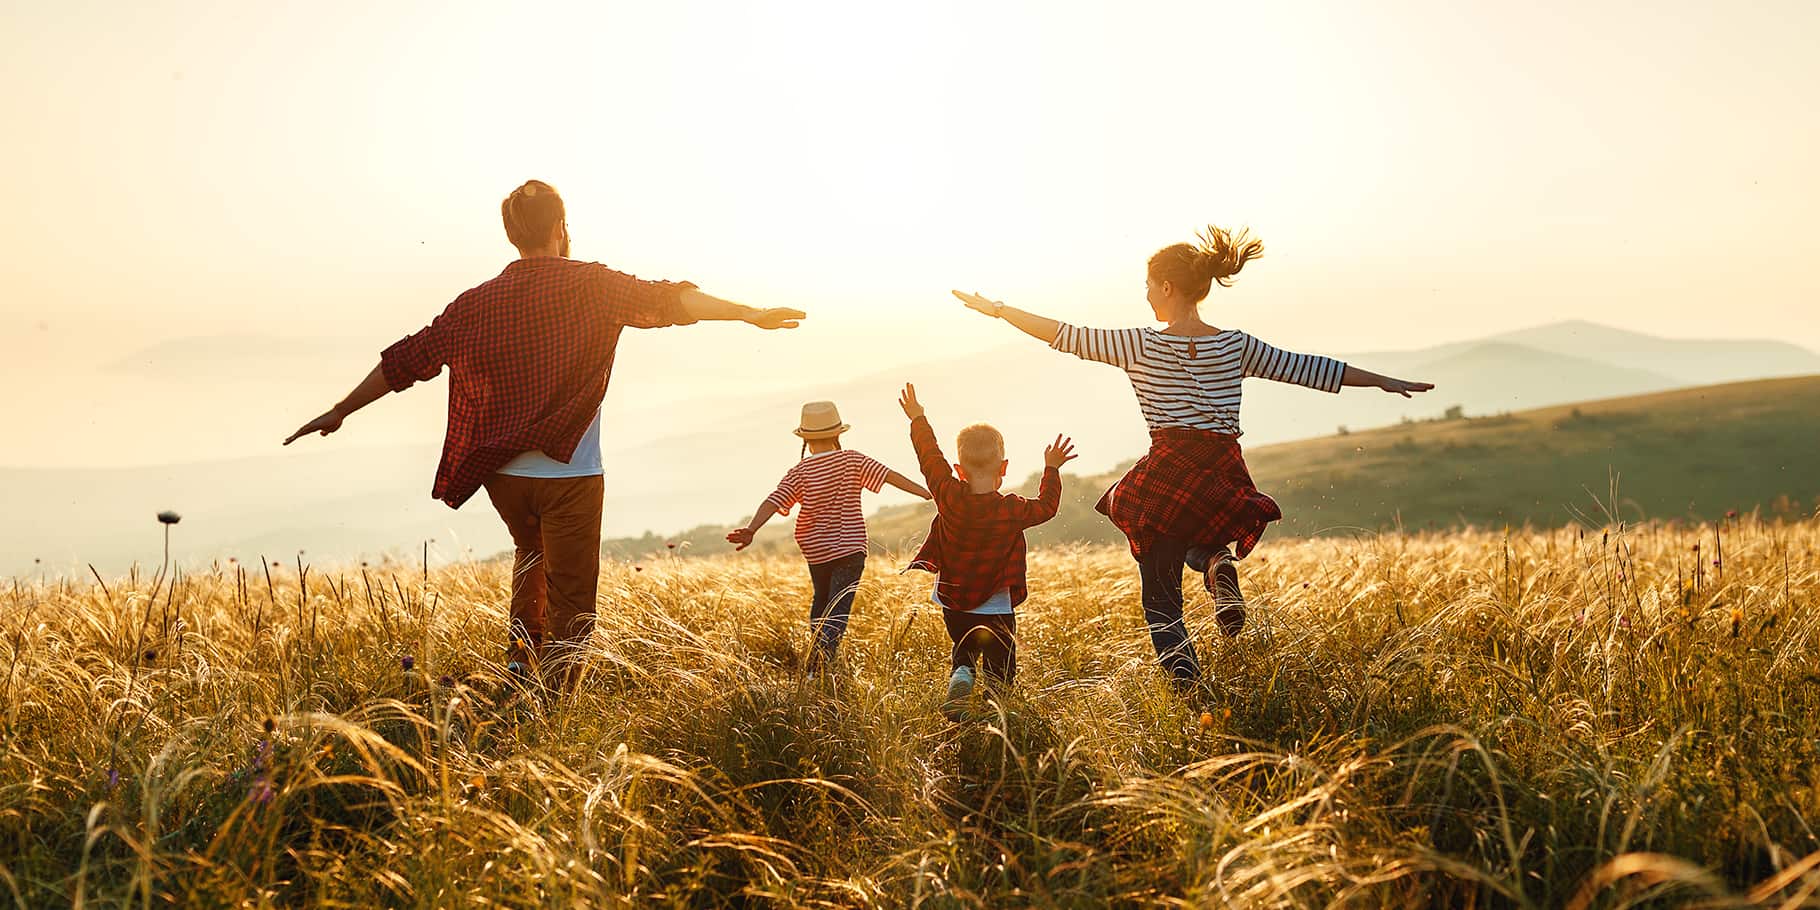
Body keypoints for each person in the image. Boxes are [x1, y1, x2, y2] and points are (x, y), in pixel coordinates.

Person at [284, 179, 805, 696]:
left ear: (512, 234)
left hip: (503, 477)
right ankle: (553, 705)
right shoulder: (592, 285)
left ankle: (519, 668)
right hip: (571, 476)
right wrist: (749, 314)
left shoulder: (475, 304)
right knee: (573, 599)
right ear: (560, 227)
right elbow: (672, 301)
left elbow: (408, 360)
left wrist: (340, 410)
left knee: (529, 556)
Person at [951, 225, 1432, 695]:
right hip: (1223, 467)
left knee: (1158, 589)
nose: (1145, 297)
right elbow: (1310, 368)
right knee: (1190, 532)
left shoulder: (1139, 343)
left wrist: (997, 310)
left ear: (1166, 285)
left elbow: (1062, 334)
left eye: (1148, 287)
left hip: (1169, 465)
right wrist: (1385, 381)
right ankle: (1216, 561)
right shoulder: (1235, 345)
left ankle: (1189, 688)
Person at [896, 383, 1073, 713]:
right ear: (1003, 468)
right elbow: (1047, 506)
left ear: (959, 470)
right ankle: (995, 716)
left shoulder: (948, 495)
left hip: (953, 602)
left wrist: (918, 418)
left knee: (964, 653)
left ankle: (962, 674)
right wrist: (1051, 469)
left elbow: (930, 458)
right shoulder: (1011, 509)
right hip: (996, 607)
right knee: (1000, 668)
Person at [725, 401, 930, 676]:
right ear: (837, 434)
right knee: (838, 609)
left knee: (821, 603)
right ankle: (818, 667)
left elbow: (773, 501)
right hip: (850, 548)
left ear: (806, 439)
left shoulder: (799, 472)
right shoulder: (852, 460)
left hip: (816, 550)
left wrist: (751, 529)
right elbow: (889, 476)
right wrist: (927, 492)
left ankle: (817, 661)